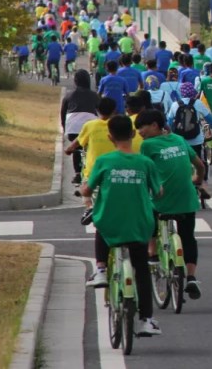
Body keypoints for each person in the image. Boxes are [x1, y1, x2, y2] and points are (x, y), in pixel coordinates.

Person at [80, 115, 162, 337]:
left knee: (101, 223)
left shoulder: (104, 162)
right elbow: (158, 192)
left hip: (111, 222)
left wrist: (83, 188)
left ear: (110, 137)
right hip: (139, 223)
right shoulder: (145, 163)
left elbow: (87, 189)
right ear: (133, 134)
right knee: (141, 269)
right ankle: (146, 319)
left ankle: (100, 270)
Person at [135, 110, 207, 299]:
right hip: (187, 198)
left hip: (162, 200)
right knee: (188, 237)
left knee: (147, 209)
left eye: (142, 127)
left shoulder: (148, 145)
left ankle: (152, 252)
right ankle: (191, 277)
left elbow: (144, 172)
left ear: (154, 125)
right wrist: (198, 180)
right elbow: (200, 165)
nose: (140, 132)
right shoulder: (179, 140)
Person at [65, 97, 119, 223]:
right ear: (114, 111)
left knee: (85, 190)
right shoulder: (117, 125)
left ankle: (90, 208)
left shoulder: (90, 125)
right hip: (115, 168)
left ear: (97, 110)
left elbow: (77, 141)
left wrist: (69, 149)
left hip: (94, 170)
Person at [167, 82, 212, 189]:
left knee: (179, 161)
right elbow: (209, 119)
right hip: (196, 140)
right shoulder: (198, 103)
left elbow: (169, 123)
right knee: (201, 161)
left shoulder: (175, 104)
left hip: (180, 140)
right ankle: (203, 182)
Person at [61, 70, 99, 185]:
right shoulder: (94, 95)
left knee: (76, 148)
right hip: (90, 127)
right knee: (89, 147)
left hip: (72, 127)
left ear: (75, 81)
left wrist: (64, 127)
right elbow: (100, 110)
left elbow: (63, 113)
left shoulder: (69, 95)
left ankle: (77, 173)